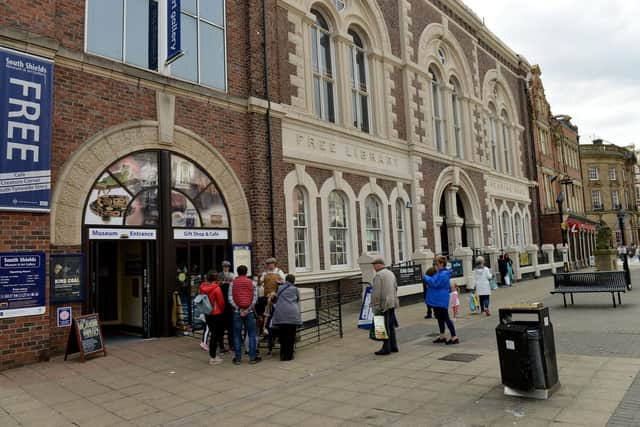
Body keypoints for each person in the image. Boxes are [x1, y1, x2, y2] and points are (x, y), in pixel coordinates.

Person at [228, 265, 259, 365]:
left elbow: (230, 298)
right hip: (249, 312)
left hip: (237, 312)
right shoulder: (252, 283)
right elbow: (255, 298)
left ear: (237, 272)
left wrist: (239, 308)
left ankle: (237, 359)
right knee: (252, 335)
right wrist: (248, 309)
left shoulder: (232, 283)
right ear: (246, 272)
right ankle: (252, 358)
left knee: (237, 335)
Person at [424, 255, 458, 345]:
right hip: (438, 298)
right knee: (440, 318)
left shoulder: (444, 274)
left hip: (441, 299)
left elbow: (435, 284)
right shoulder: (440, 273)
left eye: (437, 263)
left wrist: (426, 278)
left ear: (441, 264)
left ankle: (454, 337)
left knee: (446, 318)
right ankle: (442, 336)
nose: (435, 265)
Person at [370, 258, 399, 355]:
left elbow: (376, 293)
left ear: (379, 265)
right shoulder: (390, 273)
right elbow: (395, 287)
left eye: (374, 265)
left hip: (383, 305)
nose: (373, 267)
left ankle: (386, 348)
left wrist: (376, 306)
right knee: (390, 326)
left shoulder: (379, 275)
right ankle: (393, 346)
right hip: (391, 303)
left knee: (382, 327)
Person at [271, 274, 303, 361]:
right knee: (291, 335)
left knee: (283, 335)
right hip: (292, 314)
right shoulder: (295, 289)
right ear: (293, 281)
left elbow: (276, 298)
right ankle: (289, 355)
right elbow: (298, 299)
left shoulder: (280, 288)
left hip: (281, 314)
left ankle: (282, 355)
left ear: (286, 280)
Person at [199, 270, 225, 364]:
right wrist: (222, 311)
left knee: (212, 333)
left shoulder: (202, 287)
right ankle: (213, 357)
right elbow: (221, 302)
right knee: (215, 335)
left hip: (207, 312)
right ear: (215, 279)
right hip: (216, 313)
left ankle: (212, 355)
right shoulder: (217, 288)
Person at [218, 261, 235, 353]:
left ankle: (230, 345)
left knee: (229, 328)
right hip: (224, 307)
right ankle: (223, 346)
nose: (226, 268)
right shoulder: (220, 275)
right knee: (224, 328)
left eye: (227, 266)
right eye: (224, 266)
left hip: (227, 307)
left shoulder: (232, 276)